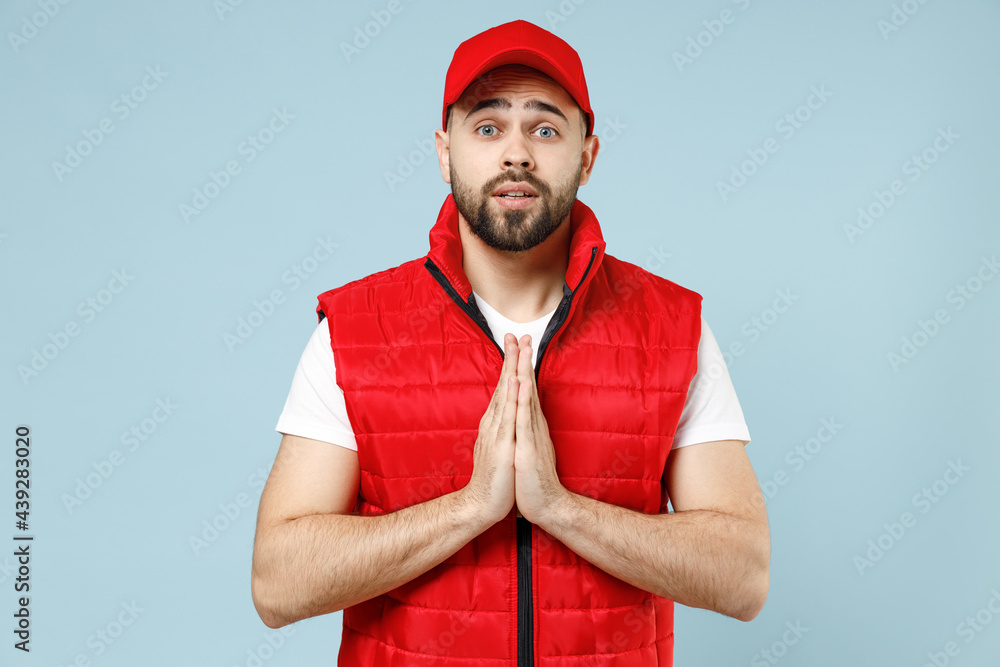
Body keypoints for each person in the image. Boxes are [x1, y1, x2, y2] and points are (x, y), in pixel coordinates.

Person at [251, 19, 769, 666]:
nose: (516, 153)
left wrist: (558, 508)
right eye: (488, 127)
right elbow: (277, 584)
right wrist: (471, 508)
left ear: (588, 154)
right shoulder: (357, 332)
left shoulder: (670, 328)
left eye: (545, 128)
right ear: (445, 151)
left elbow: (744, 577)